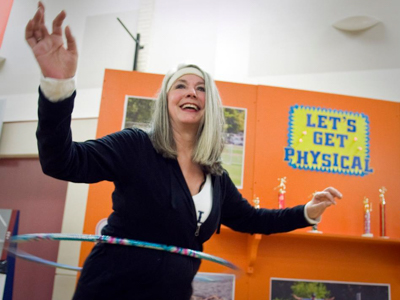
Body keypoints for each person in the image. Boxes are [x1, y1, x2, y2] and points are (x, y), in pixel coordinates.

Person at [25, 2, 342, 300]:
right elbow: (62, 162)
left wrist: (308, 211)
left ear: (211, 105)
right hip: (111, 290)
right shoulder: (135, 146)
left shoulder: (215, 176)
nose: (192, 91)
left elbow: (253, 219)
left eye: (201, 88)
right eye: (181, 85)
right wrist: (58, 87)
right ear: (166, 100)